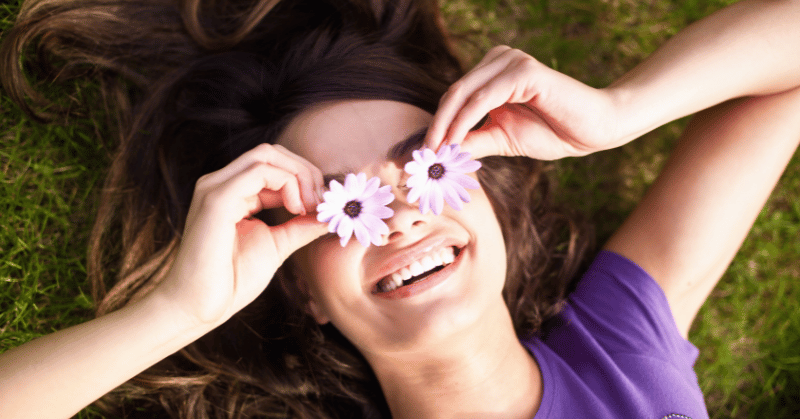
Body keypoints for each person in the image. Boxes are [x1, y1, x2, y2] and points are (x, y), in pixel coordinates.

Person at [1, 0, 798, 417]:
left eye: (423, 164)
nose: (401, 215)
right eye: (343, 202)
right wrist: (177, 310)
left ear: (486, 189)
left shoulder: (619, 343)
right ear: (302, 290)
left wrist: (623, 111)